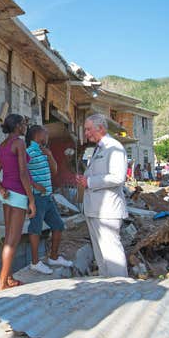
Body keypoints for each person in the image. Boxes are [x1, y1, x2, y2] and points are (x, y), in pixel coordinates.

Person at [75, 114, 129, 277]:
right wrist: (84, 180)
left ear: (101, 128)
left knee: (112, 254)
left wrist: (89, 182)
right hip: (94, 210)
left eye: (88, 129)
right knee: (101, 254)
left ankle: (121, 287)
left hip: (108, 210)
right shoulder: (98, 148)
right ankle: (107, 287)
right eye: (85, 129)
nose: (86, 133)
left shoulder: (115, 148)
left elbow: (118, 177)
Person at [0, 114, 36, 290]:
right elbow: (23, 174)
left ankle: (8, 277)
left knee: (8, 235)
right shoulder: (19, 143)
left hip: (6, 194)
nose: (26, 127)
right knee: (12, 240)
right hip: (18, 194)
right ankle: (2, 282)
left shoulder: (2, 146)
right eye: (24, 124)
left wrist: (1, 189)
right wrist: (31, 200)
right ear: (17, 126)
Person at [25, 125, 71, 275]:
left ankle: (53, 257)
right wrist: (34, 184)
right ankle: (35, 262)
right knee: (35, 229)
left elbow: (54, 170)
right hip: (37, 197)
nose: (47, 136)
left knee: (58, 225)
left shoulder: (44, 151)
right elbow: (21, 173)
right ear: (38, 135)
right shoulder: (29, 151)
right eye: (45, 134)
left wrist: (50, 155)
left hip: (48, 197)